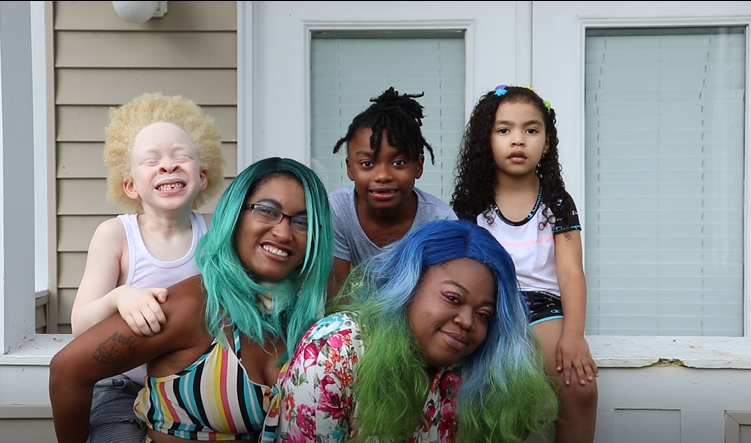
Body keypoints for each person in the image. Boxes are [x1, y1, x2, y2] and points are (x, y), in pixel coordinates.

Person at [50, 157, 335, 443]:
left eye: (303, 221)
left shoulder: (304, 322)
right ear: (234, 215)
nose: (283, 232)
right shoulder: (195, 305)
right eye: (267, 211)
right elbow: (68, 370)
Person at [274, 219, 558, 443]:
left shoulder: (475, 373)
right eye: (453, 298)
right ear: (408, 285)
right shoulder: (337, 347)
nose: (468, 322)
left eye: (484, 315)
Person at [69, 92, 225, 442]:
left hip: (197, 383)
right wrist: (119, 298)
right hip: (122, 384)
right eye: (151, 160)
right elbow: (80, 326)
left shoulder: (217, 232)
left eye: (180, 156)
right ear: (130, 185)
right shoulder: (115, 235)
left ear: (202, 176)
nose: (167, 165)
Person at [451, 84, 599, 443]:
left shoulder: (557, 202)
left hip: (544, 310)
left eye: (531, 130)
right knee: (495, 395)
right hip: (492, 307)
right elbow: (462, 269)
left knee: (580, 386)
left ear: (546, 143)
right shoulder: (472, 203)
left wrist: (574, 335)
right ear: (487, 140)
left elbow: (570, 272)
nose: (518, 140)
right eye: (504, 130)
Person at [327, 86, 457, 298]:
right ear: (350, 168)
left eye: (398, 162)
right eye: (367, 163)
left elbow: (442, 296)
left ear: (418, 165)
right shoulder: (337, 210)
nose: (383, 176)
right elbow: (336, 295)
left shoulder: (440, 221)